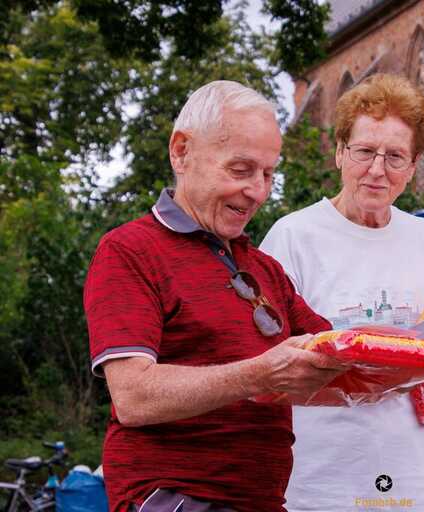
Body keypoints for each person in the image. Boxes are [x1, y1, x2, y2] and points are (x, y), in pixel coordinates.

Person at [84, 81, 346, 512]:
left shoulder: (264, 268)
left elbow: (338, 360)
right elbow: (133, 396)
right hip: (176, 499)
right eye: (241, 170)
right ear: (182, 152)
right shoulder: (129, 250)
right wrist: (261, 374)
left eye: (268, 173)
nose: (258, 191)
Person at [260, 73, 424, 511]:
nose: (377, 170)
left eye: (396, 157)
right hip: (320, 483)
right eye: (365, 151)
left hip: (414, 481)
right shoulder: (294, 237)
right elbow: (265, 363)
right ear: (339, 152)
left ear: (414, 163)